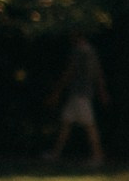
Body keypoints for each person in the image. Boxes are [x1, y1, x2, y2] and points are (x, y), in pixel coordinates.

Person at [46, 34, 108, 166]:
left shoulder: (80, 52)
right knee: (66, 123)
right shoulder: (91, 51)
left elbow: (70, 72)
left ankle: (98, 156)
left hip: (80, 94)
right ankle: (55, 153)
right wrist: (102, 91)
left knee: (89, 125)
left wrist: (56, 91)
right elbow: (98, 72)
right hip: (82, 93)